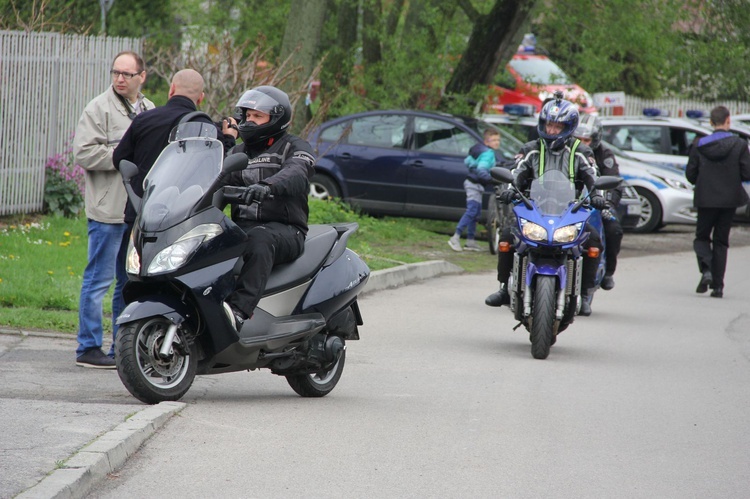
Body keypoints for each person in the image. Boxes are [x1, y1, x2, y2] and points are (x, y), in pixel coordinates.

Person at [484, 95, 605, 316]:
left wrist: (598, 195)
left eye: (557, 126)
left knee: (594, 241)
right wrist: (509, 189)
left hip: (568, 212)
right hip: (534, 209)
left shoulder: (581, 151)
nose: (551, 130)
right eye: (549, 124)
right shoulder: (531, 148)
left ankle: (585, 293)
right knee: (507, 238)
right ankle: (504, 288)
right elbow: (517, 171)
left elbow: (593, 177)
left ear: (568, 127)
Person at [73, 51, 155, 368]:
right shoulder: (98, 108)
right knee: (98, 282)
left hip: (135, 213)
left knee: (127, 283)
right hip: (106, 213)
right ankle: (88, 347)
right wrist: (124, 155)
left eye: (126, 74)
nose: (119, 79)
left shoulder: (149, 110)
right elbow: (83, 153)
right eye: (115, 73)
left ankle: (119, 349)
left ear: (142, 77)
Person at [219, 85, 316, 329]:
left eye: (257, 116)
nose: (250, 121)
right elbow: (215, 179)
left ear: (276, 119)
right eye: (247, 115)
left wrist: (268, 186)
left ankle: (239, 312)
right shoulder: (238, 152)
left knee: (259, 239)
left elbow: (297, 172)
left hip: (285, 230)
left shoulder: (295, 147)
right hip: (241, 227)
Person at [113, 68, 238, 224]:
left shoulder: (143, 120)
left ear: (171, 89)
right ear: (201, 98)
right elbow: (221, 172)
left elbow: (119, 158)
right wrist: (229, 138)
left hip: (141, 210)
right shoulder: (207, 131)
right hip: (185, 216)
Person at [685, 105, 750, 298]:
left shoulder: (699, 144)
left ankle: (706, 271)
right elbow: (747, 173)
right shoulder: (739, 145)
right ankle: (718, 286)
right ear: (728, 120)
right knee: (721, 241)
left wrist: (705, 181)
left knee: (702, 237)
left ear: (711, 123)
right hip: (729, 200)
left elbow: (690, 175)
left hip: (706, 199)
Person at [573, 114, 624, 290]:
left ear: (594, 140)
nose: (581, 143)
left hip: (595, 203)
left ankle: (608, 272)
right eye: (577, 139)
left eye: (585, 140)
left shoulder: (604, 155)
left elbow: (613, 181)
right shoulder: (562, 151)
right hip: (566, 203)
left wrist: (607, 204)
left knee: (613, 229)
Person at [449, 129, 500, 252]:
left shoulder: (479, 150)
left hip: (474, 184)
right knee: (471, 211)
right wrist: (492, 180)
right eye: (494, 140)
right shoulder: (488, 153)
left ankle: (470, 241)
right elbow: (482, 170)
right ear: (487, 141)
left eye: (498, 140)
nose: (497, 142)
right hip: (474, 184)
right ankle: (455, 238)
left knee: (475, 213)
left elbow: (469, 162)